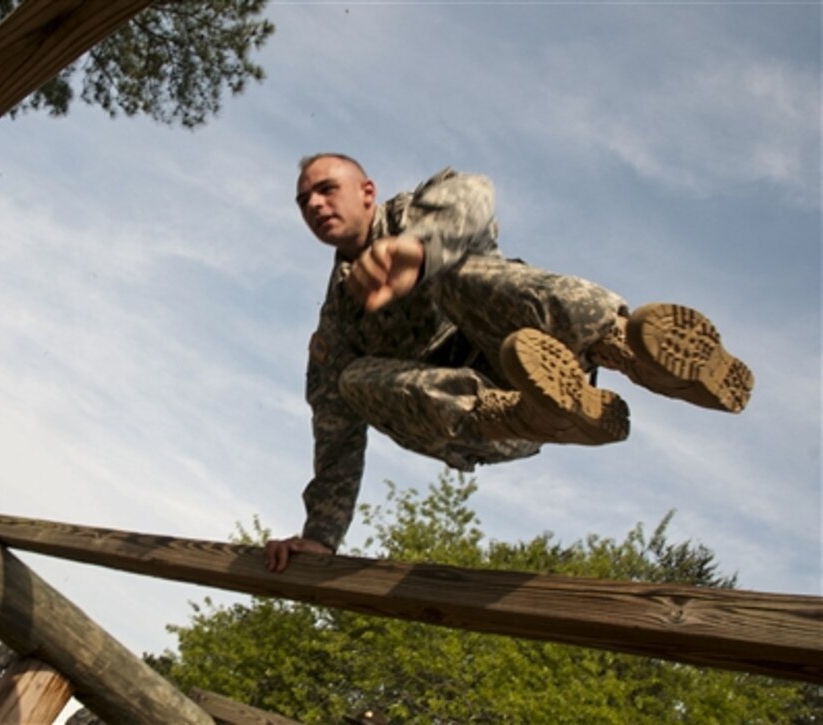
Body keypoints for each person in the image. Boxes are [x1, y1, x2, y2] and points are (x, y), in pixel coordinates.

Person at [265, 154, 752, 572]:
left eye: (326, 190)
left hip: (540, 351)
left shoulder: (418, 213)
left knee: (456, 273)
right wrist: (321, 536)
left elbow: (473, 195)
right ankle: (534, 411)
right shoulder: (337, 322)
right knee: (350, 379)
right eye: (304, 200)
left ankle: (635, 352)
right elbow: (336, 439)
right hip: (492, 419)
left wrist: (418, 249)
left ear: (367, 191)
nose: (314, 205)